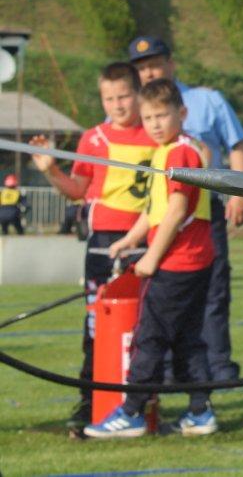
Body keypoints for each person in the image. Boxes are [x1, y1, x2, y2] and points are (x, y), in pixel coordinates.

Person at [85, 79, 217, 438]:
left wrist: (151, 259)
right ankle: (200, 411)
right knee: (187, 339)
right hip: (189, 260)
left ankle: (132, 412)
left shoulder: (180, 153)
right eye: (148, 118)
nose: (155, 124)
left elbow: (176, 211)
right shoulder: (167, 152)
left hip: (179, 262)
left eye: (162, 115)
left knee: (150, 337)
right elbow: (155, 209)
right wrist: (130, 240)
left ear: (181, 113)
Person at [29, 62, 156, 430]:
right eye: (109, 99)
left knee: (149, 327)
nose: (117, 105)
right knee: (95, 326)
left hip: (148, 241)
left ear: (138, 94)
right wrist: (51, 170)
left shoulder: (155, 134)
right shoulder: (93, 139)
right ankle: (90, 402)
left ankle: (146, 405)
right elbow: (76, 191)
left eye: (123, 96)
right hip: (103, 243)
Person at [128, 36, 243, 382]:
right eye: (141, 68)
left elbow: (236, 144)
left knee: (213, 293)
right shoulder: (136, 107)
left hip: (202, 212)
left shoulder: (206, 100)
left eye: (154, 64)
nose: (148, 72)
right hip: (159, 213)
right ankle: (169, 375)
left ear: (171, 63)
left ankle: (218, 368)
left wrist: (241, 194)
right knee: (162, 302)